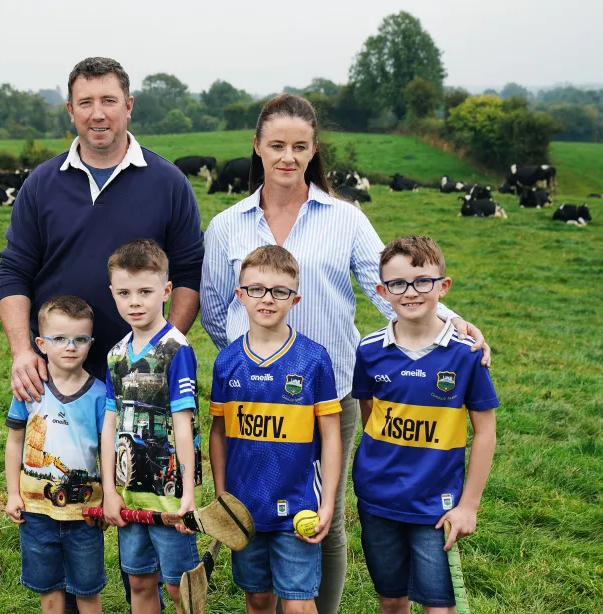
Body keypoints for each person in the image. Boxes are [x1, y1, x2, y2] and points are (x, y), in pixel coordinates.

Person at [199, 93, 492, 614]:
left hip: (332, 393)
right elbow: (216, 309)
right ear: (257, 147)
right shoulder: (227, 224)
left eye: (300, 146)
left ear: (314, 151)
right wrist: (251, 360)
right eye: (277, 146)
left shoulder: (346, 218)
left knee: (322, 516)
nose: (287, 157)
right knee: (257, 510)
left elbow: (391, 293)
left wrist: (453, 324)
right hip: (256, 400)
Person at [0, 56, 204, 612]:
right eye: (85, 102)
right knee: (66, 512)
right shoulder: (42, 183)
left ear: (128, 106)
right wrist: (23, 350)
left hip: (140, 390)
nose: (97, 113)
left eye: (108, 100)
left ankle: (175, 587)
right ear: (70, 110)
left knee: (153, 514)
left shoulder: (166, 181)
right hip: (60, 376)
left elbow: (188, 273)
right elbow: (14, 271)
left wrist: (157, 355)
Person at [351, 236, 498, 614]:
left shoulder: (466, 355)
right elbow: (370, 412)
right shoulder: (369, 350)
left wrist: (469, 506)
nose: (410, 292)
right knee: (391, 598)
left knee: (439, 605)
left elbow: (484, 433)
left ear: (442, 286)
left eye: (422, 281)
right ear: (383, 291)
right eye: (398, 284)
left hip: (437, 504)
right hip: (378, 498)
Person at [209, 245, 342, 614]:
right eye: (256, 289)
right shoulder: (227, 361)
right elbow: (218, 433)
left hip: (298, 505)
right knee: (258, 598)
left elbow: (331, 435)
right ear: (240, 295)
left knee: (299, 604)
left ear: (295, 298)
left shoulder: (313, 359)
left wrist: (327, 502)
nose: (267, 299)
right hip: (245, 506)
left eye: (279, 291)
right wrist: (223, 496)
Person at [101, 240, 203, 614]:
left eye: (145, 291)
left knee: (180, 588)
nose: (135, 302)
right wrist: (110, 491)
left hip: (170, 496)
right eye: (124, 293)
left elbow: (182, 423)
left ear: (165, 290)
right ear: (112, 293)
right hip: (128, 495)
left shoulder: (177, 350)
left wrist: (188, 493)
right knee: (140, 580)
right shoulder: (115, 355)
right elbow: (110, 425)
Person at [4, 296, 108, 614]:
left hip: (86, 515)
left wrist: (109, 499)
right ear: (41, 344)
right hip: (35, 512)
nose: (70, 347)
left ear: (90, 343)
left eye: (79, 339)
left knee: (88, 587)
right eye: (59, 339)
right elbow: (14, 441)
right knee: (49, 588)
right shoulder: (30, 390)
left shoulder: (100, 395)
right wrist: (12, 494)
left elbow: (108, 452)